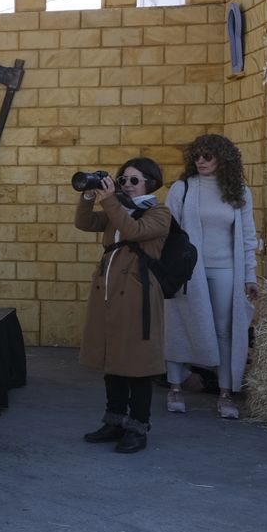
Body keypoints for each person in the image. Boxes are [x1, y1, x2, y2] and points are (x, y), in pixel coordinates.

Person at [76, 158, 172, 454]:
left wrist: (110, 201)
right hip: (108, 294)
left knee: (138, 364)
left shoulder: (159, 213)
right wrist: (88, 196)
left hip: (138, 296)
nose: (127, 185)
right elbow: (84, 223)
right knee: (114, 360)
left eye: (134, 180)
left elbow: (133, 231)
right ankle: (114, 420)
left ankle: (138, 427)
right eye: (123, 179)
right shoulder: (116, 208)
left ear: (150, 183)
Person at [164, 134, 259, 420]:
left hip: (226, 269)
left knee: (224, 330)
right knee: (180, 324)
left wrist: (250, 275)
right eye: (196, 156)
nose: (201, 161)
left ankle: (225, 393)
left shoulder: (239, 191)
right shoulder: (182, 188)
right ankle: (175, 388)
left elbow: (248, 236)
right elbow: (167, 233)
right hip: (187, 270)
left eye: (208, 156)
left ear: (223, 157)